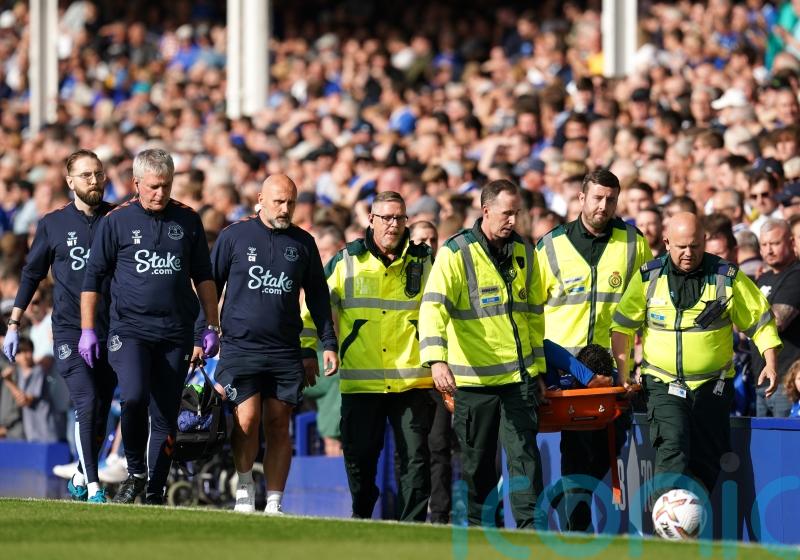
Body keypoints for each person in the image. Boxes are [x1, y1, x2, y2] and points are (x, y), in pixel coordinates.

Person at [80, 149, 220, 505]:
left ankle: (155, 488)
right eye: (154, 186)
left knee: (165, 412)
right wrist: (87, 329)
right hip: (129, 330)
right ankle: (135, 473)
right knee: (133, 397)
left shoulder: (188, 220)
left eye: (167, 186)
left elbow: (203, 276)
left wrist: (211, 324)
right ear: (137, 184)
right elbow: (93, 278)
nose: (161, 193)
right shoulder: (117, 220)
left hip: (175, 332)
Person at [610, 212, 781, 495]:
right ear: (667, 243)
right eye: (681, 247)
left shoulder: (727, 277)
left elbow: (760, 320)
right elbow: (623, 328)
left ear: (704, 241)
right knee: (672, 446)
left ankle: (688, 527)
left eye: (695, 246)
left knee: (706, 462)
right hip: (663, 382)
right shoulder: (648, 278)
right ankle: (666, 524)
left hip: (712, 385)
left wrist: (771, 363)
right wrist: (624, 373)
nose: (688, 253)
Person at [198, 174, 338, 515]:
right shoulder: (234, 236)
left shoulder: (303, 243)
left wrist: (327, 343)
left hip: (284, 350)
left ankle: (274, 501)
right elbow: (210, 285)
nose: (285, 208)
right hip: (241, 347)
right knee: (246, 420)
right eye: (278, 201)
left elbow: (318, 297)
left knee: (278, 422)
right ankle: (244, 487)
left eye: (291, 202)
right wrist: (204, 331)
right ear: (260, 199)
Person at [419, 179, 546, 529]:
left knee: (524, 458)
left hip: (518, 380)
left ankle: (529, 529)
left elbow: (534, 314)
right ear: (485, 210)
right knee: (477, 464)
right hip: (473, 383)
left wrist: (537, 371)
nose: (513, 220)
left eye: (517, 213)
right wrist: (436, 358)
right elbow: (432, 308)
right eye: (507, 213)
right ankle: (481, 528)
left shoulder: (524, 251)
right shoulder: (456, 252)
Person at [532, 168, 650, 532]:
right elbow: (533, 310)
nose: (603, 205)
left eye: (610, 199)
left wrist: (638, 360)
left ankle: (569, 500)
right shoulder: (550, 245)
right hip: (567, 370)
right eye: (596, 198)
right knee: (578, 448)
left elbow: (646, 302)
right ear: (580, 198)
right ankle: (577, 529)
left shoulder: (633, 243)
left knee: (607, 449)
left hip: (615, 367)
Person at [3, 149, 115, 503]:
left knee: (101, 405)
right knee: (86, 401)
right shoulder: (53, 224)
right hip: (68, 329)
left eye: (98, 173)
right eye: (86, 175)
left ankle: (82, 473)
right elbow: (32, 274)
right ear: (70, 182)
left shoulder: (119, 218)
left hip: (113, 329)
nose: (94, 180)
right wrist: (14, 322)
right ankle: (96, 485)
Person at [324, 191, 434, 521]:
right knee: (359, 458)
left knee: (415, 458)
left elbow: (443, 311)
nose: (393, 225)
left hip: (411, 379)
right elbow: (313, 310)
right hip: (362, 381)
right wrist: (314, 348)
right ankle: (362, 508)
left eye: (399, 218)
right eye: (385, 218)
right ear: (370, 220)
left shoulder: (424, 261)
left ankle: (412, 525)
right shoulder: (345, 261)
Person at [410, 219, 453, 524]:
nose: (428, 244)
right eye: (422, 240)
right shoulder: (405, 274)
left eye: (432, 239)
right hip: (409, 373)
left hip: (439, 374)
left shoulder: (446, 273)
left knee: (439, 445)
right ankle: (410, 511)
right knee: (412, 449)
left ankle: (439, 514)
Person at [752, 219, 800, 417]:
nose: (769, 250)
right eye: (764, 245)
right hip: (760, 379)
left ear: (791, 242)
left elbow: (778, 321)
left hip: (786, 381)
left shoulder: (796, 275)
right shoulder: (762, 278)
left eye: (775, 243)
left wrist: (747, 315)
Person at [1, 337, 65, 443]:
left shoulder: (38, 371)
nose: (24, 356)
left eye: (27, 351)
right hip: (30, 431)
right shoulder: (18, 373)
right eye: (19, 352)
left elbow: (25, 401)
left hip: (46, 429)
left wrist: (9, 382)